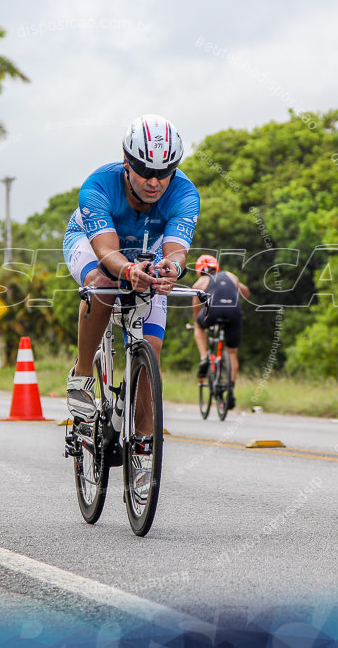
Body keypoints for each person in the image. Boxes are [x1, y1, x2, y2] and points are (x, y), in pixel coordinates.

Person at [63, 114, 199, 462]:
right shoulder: (98, 184)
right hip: (92, 243)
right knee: (105, 283)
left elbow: (177, 252)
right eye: (145, 171)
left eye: (165, 172)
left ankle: (141, 443)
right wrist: (127, 271)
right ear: (127, 163)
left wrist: (172, 269)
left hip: (145, 248)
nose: (155, 181)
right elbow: (107, 252)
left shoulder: (184, 192)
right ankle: (82, 376)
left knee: (151, 347)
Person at [191, 254, 250, 410]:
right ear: (216, 266)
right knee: (231, 353)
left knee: (198, 326)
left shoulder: (200, 282)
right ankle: (230, 390)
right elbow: (246, 292)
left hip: (213, 312)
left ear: (199, 270)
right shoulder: (231, 275)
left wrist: (197, 321)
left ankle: (204, 358)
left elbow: (196, 309)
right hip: (234, 312)